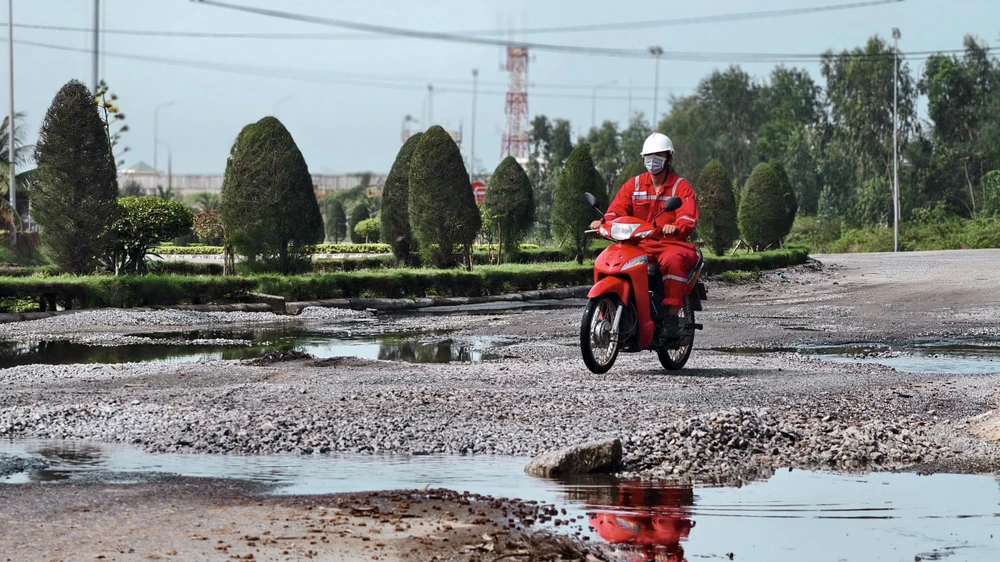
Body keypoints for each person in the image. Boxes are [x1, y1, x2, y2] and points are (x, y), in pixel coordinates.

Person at [590, 133, 699, 335]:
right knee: (608, 258)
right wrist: (603, 222)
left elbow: (688, 217)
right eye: (649, 156)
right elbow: (616, 210)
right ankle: (614, 308)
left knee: (673, 261)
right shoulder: (634, 185)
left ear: (669, 158)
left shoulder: (680, 186)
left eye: (658, 155)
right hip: (638, 245)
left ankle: (671, 316)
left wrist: (675, 226)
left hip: (670, 244)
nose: (653, 161)